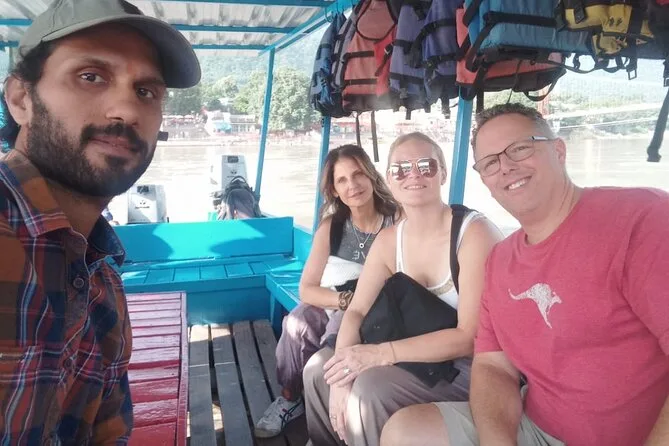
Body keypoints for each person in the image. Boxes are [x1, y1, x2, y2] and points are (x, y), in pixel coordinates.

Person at [380, 103, 669, 446]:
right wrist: (497, 440)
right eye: (490, 163)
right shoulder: (501, 260)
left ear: (559, 151)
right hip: (534, 427)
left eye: (519, 148)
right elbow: (494, 366)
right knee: (404, 432)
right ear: (485, 181)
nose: (506, 167)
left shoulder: (641, 219)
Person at [0, 0, 200, 443]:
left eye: (146, 91)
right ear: (20, 100)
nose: (126, 111)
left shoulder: (103, 283)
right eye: (90, 77)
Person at [302, 132, 503, 446]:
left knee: (370, 389)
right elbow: (356, 310)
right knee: (318, 371)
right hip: (409, 347)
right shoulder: (389, 240)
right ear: (389, 179)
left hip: (468, 365)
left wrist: (379, 354)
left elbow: (469, 337)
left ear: (443, 173)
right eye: (401, 169)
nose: (414, 175)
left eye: (426, 166)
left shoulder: (473, 234)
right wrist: (342, 373)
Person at [255, 144, 400, 437]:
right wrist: (345, 300)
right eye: (342, 180)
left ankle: (334, 408)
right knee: (296, 322)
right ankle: (289, 398)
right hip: (341, 299)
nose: (352, 185)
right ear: (334, 190)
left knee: (335, 337)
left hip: (383, 307)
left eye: (358, 174)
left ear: (371, 176)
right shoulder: (332, 227)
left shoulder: (396, 220)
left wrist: (356, 305)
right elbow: (307, 289)